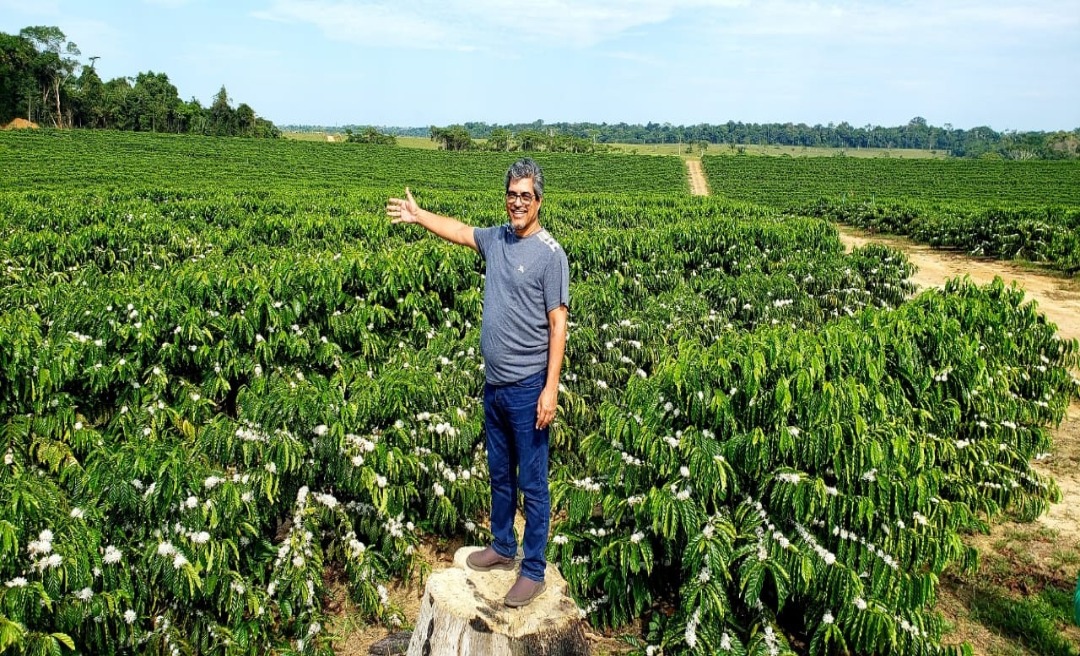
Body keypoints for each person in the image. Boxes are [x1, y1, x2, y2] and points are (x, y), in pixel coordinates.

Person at [386, 158, 569, 608]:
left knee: (534, 481)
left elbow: (558, 325)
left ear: (539, 200)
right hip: (495, 385)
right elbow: (460, 230)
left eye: (526, 195)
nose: (517, 202)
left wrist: (551, 388)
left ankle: (532, 569)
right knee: (500, 474)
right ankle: (503, 546)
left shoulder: (550, 254)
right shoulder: (498, 239)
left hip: (529, 387)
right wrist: (419, 215)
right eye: (512, 194)